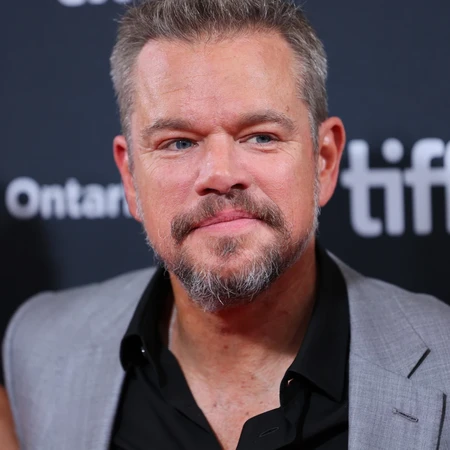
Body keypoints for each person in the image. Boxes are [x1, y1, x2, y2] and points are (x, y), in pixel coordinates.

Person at [3, 0, 450, 448]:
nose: (220, 174)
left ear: (324, 160)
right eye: (179, 143)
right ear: (130, 177)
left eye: (261, 136)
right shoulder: (39, 349)